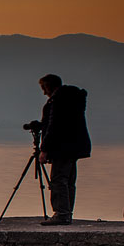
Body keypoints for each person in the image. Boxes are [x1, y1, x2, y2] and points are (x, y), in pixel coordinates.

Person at [36, 74, 90, 225]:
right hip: (75, 147)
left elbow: (55, 126)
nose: (44, 92)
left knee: (58, 180)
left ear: (49, 86)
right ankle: (66, 213)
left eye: (44, 88)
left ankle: (61, 214)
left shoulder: (58, 101)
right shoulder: (73, 99)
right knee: (68, 181)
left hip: (62, 148)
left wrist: (44, 149)